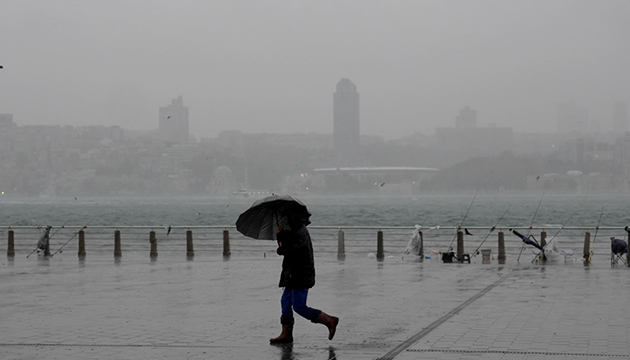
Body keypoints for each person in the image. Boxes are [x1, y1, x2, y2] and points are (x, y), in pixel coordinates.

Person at [270, 214, 339, 344]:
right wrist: (279, 234)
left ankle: (329, 320)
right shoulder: (293, 230)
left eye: (285, 219)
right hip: (291, 274)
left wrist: (281, 249)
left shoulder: (299, 232)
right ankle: (286, 334)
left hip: (300, 274)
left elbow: (294, 249)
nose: (283, 221)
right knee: (285, 303)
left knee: (299, 306)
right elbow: (285, 244)